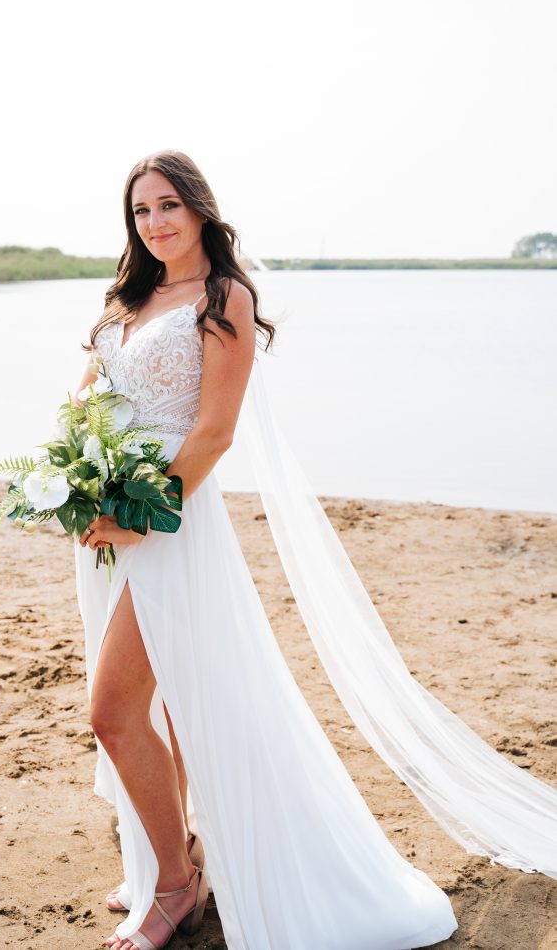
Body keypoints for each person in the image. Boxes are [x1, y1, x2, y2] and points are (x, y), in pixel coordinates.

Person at [70, 149, 461, 950]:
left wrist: (149, 513)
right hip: (112, 514)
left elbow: (214, 430)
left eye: (169, 204)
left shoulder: (225, 297)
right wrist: (73, 474)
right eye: (142, 211)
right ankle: (166, 856)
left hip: (168, 519)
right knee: (167, 697)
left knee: (112, 710)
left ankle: (175, 889)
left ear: (202, 209)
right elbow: (86, 398)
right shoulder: (129, 297)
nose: (156, 222)